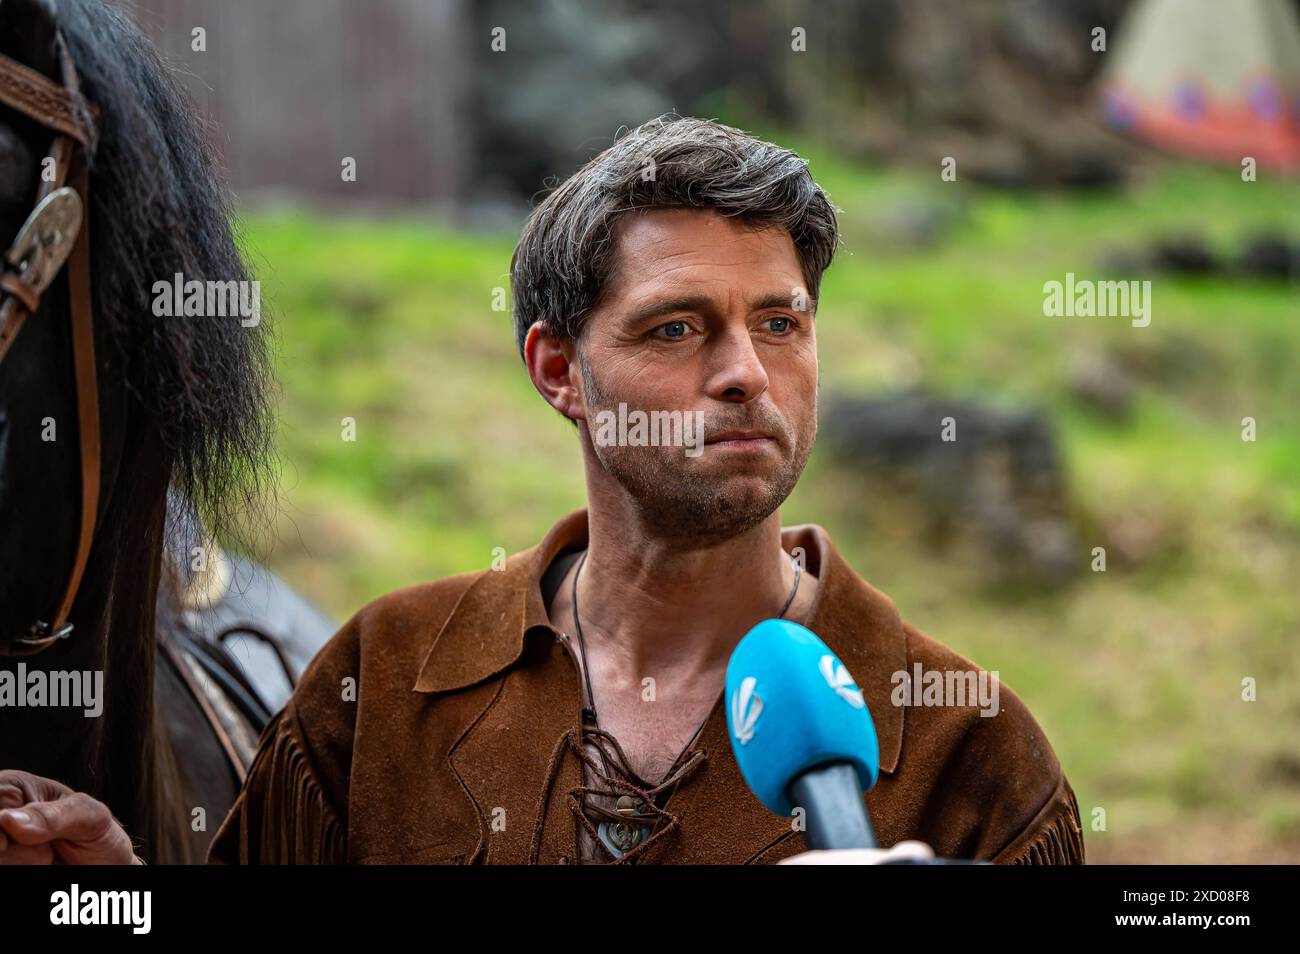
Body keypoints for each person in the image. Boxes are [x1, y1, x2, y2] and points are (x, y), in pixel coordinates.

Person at [0, 114, 1084, 865]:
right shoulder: (380, 684)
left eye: (780, 323)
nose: (746, 372)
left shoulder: (969, 753)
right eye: (676, 327)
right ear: (558, 371)